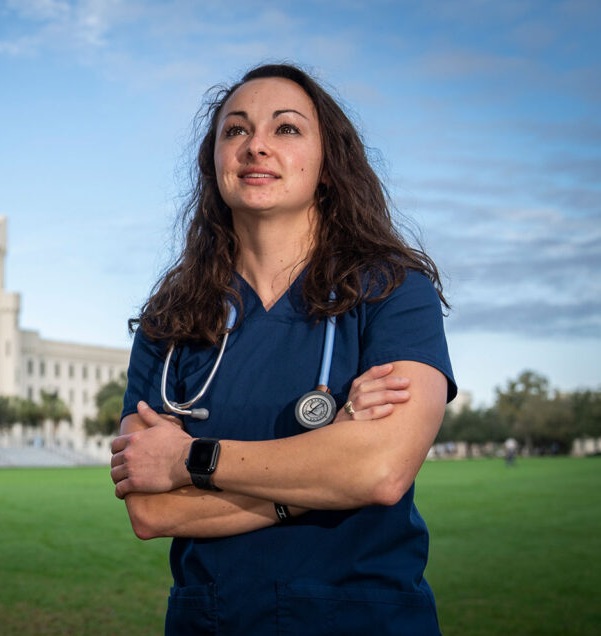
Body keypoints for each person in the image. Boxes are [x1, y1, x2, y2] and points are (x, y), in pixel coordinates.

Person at [109, 63, 456, 635]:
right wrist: (326, 467)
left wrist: (190, 461)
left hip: (363, 620)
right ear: (216, 163)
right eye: (235, 130)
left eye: (287, 129)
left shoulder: (392, 290)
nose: (256, 146)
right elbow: (152, 510)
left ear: (326, 165)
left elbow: (381, 470)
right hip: (214, 621)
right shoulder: (170, 321)